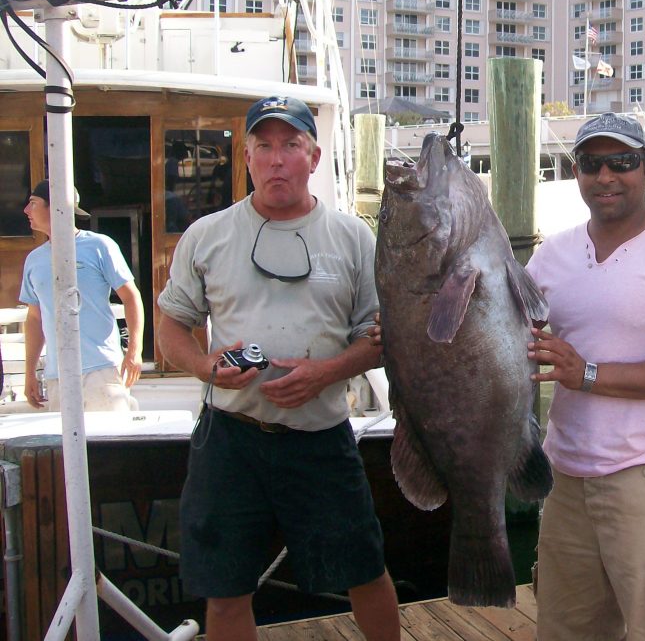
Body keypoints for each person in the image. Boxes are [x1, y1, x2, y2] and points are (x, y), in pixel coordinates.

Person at [157, 95, 400, 641]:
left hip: (320, 438)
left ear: (313, 158)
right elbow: (170, 325)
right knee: (224, 591)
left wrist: (330, 370)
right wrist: (202, 365)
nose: (276, 159)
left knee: (364, 571)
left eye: (290, 144)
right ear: (246, 157)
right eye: (263, 146)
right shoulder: (207, 235)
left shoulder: (353, 237)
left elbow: (380, 338)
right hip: (230, 440)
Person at [525, 113, 645, 641]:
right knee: (566, 630)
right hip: (565, 478)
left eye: (623, 162)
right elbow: (510, 334)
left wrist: (586, 373)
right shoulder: (552, 255)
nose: (606, 175)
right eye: (592, 164)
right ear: (576, 172)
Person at [19, 180, 143, 411]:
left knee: (110, 443)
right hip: (58, 375)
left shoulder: (100, 246)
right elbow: (34, 318)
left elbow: (131, 297)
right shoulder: (33, 260)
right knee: (64, 447)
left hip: (102, 369)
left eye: (33, 203)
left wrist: (134, 352)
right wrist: (30, 373)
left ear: (55, 207)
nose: (26, 210)